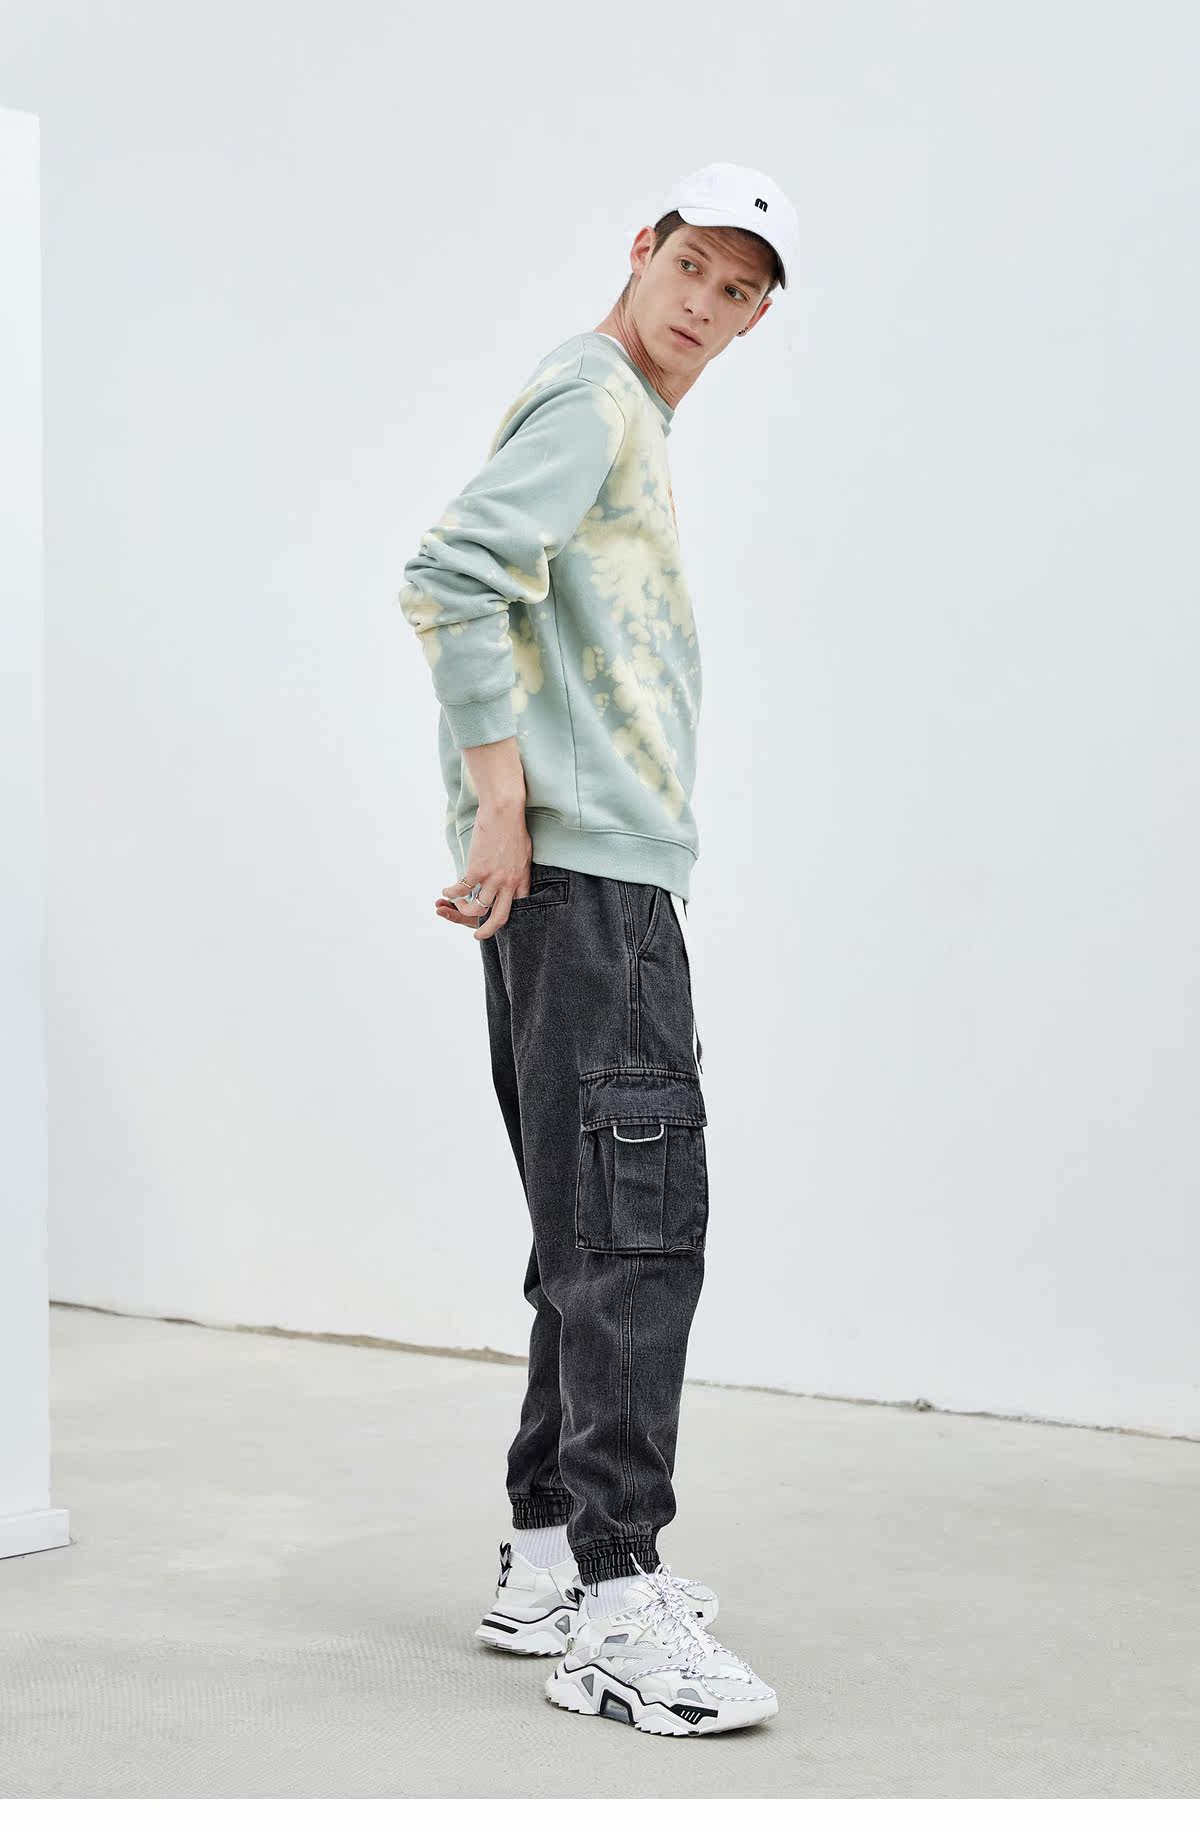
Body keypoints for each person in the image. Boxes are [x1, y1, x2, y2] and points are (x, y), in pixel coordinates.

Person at [400, 161, 799, 1737]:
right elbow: (450, 574)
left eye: (739, 290)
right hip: (586, 877)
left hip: (593, 879)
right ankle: (622, 1610)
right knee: (639, 1234)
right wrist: (502, 806)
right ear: (642, 251)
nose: (705, 302)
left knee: (589, 1229)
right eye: (692, 265)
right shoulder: (592, 397)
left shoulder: (622, 413)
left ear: (757, 319)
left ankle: (553, 1556)